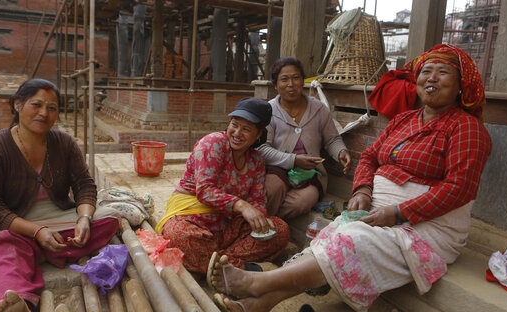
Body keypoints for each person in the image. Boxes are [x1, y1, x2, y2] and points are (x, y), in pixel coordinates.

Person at [207, 44, 492, 312]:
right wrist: (363, 191)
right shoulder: (404, 120)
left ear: (460, 86)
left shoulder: (466, 128)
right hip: (377, 211)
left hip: (427, 225)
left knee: (349, 238)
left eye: (442, 73)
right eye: (426, 72)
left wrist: (396, 213)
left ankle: (256, 283)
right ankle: (259, 304)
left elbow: (460, 188)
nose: (431, 79)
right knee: (332, 234)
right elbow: (369, 157)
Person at [0, 79, 119, 312]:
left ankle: (35, 251)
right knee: (2, 248)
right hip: (12, 226)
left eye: (52, 108)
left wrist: (84, 219)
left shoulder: (64, 142)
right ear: (18, 105)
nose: (44, 113)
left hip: (58, 219)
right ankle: (21, 299)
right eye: (36, 105)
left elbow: (85, 185)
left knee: (110, 218)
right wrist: (37, 232)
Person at [155, 97, 290, 274]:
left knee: (279, 230)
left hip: (227, 227)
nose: (237, 133)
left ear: (258, 134)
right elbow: (205, 191)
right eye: (235, 124)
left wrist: (259, 222)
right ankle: (233, 265)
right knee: (177, 235)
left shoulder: (256, 160)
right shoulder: (213, 143)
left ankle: (216, 262)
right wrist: (242, 205)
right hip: (192, 219)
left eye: (246, 129)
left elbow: (257, 200)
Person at [258, 57, 351, 219]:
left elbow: (332, 139)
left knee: (300, 203)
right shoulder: (268, 111)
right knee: (271, 190)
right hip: (276, 169)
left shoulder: (318, 109)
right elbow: (262, 149)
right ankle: (262, 226)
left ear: (303, 81)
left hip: (310, 173)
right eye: (284, 79)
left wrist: (341, 152)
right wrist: (293, 160)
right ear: (276, 84)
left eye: (296, 78)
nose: (291, 84)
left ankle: (271, 222)